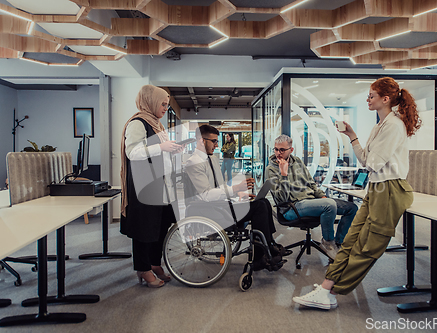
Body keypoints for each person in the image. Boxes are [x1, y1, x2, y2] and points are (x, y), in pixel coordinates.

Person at [292, 77, 420, 310]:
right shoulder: (379, 126)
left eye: (371, 95)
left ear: (386, 98)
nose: (368, 99)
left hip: (390, 190)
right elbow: (365, 160)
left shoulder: (394, 125)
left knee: (367, 247)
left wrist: (367, 156)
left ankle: (331, 289)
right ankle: (325, 288)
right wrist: (352, 135)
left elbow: (372, 164)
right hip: (377, 188)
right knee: (350, 242)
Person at [185, 124, 287, 271]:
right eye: (214, 141)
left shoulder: (211, 159)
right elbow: (206, 195)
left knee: (263, 202)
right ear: (201, 141)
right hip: (209, 211)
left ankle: (269, 245)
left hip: (219, 205)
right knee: (259, 207)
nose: (217, 144)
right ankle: (261, 256)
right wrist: (235, 188)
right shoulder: (194, 163)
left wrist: (238, 193)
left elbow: (218, 187)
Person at [120, 85, 183, 288]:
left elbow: (157, 154)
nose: (165, 108)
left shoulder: (157, 125)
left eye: (167, 104)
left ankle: (155, 264)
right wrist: (161, 147)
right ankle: (143, 269)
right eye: (162, 104)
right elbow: (133, 152)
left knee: (160, 227)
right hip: (144, 187)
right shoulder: (138, 123)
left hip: (160, 185)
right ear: (150, 102)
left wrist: (170, 149)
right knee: (144, 230)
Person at [265, 134, 358, 259]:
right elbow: (282, 198)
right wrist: (284, 174)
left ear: (291, 150)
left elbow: (310, 182)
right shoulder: (271, 169)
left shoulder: (297, 161)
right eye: (276, 149)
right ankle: (328, 243)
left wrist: (322, 196)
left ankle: (338, 243)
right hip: (291, 207)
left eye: (282, 150)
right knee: (329, 206)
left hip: (310, 201)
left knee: (351, 208)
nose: (278, 153)